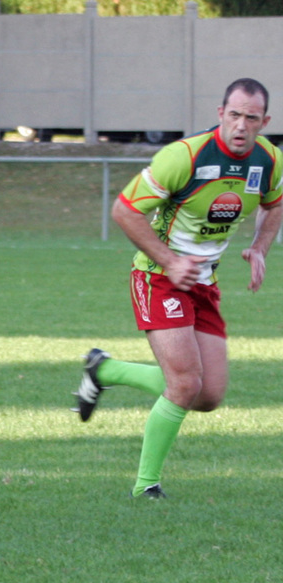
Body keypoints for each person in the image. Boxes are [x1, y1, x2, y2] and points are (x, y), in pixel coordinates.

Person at [74, 78, 283, 499]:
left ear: (265, 122)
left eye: (251, 118)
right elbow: (125, 211)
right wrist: (170, 261)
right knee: (186, 385)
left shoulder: (269, 160)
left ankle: (104, 370)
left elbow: (275, 202)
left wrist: (260, 247)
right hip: (158, 277)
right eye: (234, 115)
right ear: (220, 113)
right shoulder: (183, 157)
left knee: (208, 396)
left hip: (204, 281)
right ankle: (145, 486)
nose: (241, 125)